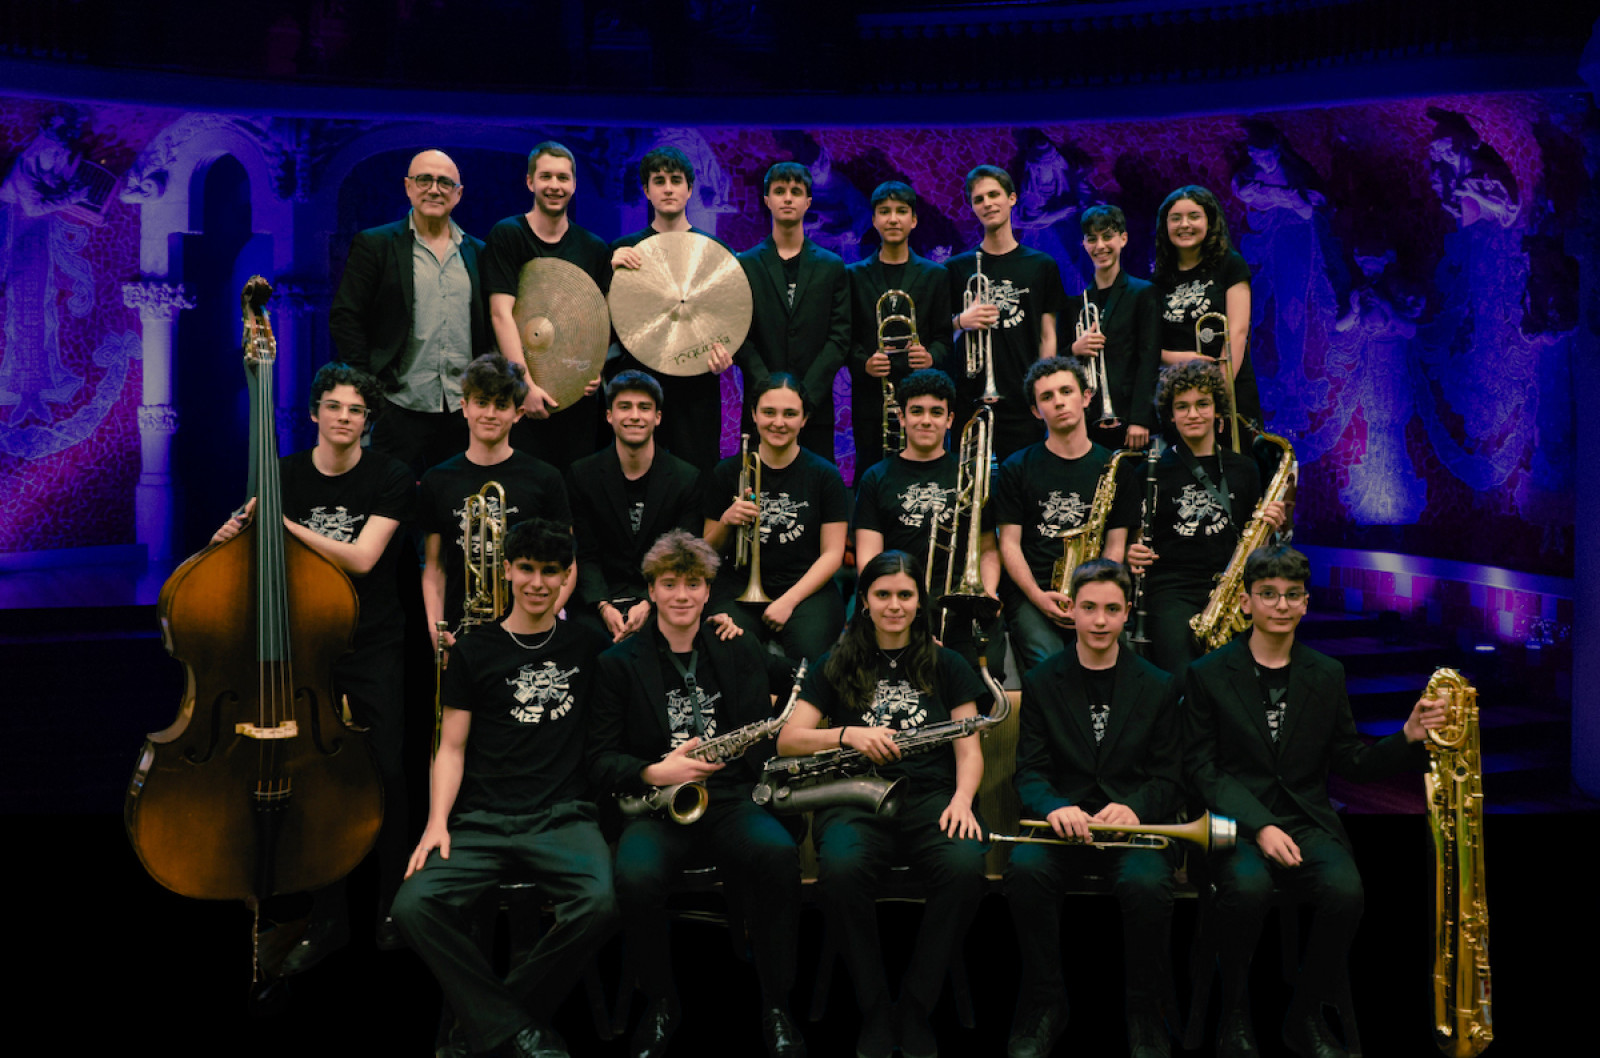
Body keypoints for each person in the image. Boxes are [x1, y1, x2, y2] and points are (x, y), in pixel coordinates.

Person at [1183, 545, 1446, 1058]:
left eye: (1292, 596)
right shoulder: (1209, 674)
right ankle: (1235, 1016)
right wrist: (1259, 826)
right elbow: (1201, 770)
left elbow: (1349, 761)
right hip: (1234, 824)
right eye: (1268, 595)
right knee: (1248, 887)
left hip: (1306, 820)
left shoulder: (1326, 674)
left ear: (1305, 604)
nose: (1280, 605)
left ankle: (1303, 1016)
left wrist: (1407, 737)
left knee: (1346, 892)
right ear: (1245, 603)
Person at [211, 361, 416, 965]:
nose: (345, 419)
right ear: (313, 413)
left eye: (356, 411)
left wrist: (282, 522)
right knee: (315, 781)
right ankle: (326, 919)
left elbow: (360, 559)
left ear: (367, 421)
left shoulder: (391, 477)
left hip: (372, 644)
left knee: (387, 775)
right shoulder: (282, 476)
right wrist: (232, 538)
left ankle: (390, 909)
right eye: (334, 407)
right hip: (302, 649)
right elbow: (254, 555)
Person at [391, 518, 618, 1058]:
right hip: (481, 821)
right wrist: (436, 821)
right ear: (508, 571)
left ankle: (485, 1022)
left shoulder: (589, 646)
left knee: (601, 903)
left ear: (567, 578)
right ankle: (518, 1029)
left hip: (563, 817)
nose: (537, 583)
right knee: (412, 907)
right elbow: (450, 747)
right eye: (527, 569)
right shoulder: (475, 649)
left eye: (551, 572)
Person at [588, 529, 806, 1058]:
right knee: (635, 877)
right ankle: (660, 999)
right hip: (657, 805)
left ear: (709, 591)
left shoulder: (737, 646)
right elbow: (598, 759)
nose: (682, 595)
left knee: (779, 855)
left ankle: (777, 1003)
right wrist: (653, 772)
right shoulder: (616, 664)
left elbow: (785, 700)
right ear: (651, 591)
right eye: (669, 584)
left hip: (728, 797)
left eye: (693, 584)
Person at [777, 550, 989, 1058]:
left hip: (933, 798)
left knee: (965, 867)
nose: (894, 605)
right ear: (865, 601)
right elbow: (789, 740)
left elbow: (970, 748)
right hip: (854, 800)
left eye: (905, 595)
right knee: (842, 871)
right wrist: (847, 734)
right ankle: (873, 1007)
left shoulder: (949, 664)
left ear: (921, 603)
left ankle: (915, 1005)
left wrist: (963, 801)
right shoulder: (836, 661)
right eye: (883, 595)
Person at [1005, 559, 1182, 1058]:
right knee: (1025, 871)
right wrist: (1055, 808)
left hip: (1131, 828)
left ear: (1128, 613)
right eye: (1088, 608)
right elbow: (1030, 771)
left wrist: (1135, 809)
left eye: (1110, 609)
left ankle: (1144, 1010)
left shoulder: (1159, 684)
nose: (1100, 620)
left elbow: (1170, 776)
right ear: (1072, 611)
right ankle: (1045, 1002)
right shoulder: (1042, 682)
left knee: (1148, 883)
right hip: (1064, 827)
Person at [328, 149, 492, 479]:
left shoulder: (479, 252)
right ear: (408, 187)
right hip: (397, 405)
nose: (434, 189)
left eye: (445, 182)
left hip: (463, 411)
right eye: (424, 180)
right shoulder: (375, 244)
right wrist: (368, 387)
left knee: (454, 514)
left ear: (458, 194)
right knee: (391, 512)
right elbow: (346, 317)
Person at [1119, 360, 1285, 676]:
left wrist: (1273, 526)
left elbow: (1257, 544)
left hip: (1233, 589)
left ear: (1217, 410)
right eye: (1182, 407)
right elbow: (1133, 537)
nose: (1193, 414)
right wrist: (1131, 550)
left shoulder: (1245, 469)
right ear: (1170, 415)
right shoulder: (1149, 472)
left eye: (1202, 404)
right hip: (1171, 591)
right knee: (1186, 678)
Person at [853, 368, 1003, 680]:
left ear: (949, 419)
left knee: (975, 684)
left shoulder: (972, 476)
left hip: (959, 603)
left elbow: (988, 548)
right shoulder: (875, 477)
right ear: (902, 417)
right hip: (896, 602)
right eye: (916, 411)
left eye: (936, 412)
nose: (926, 420)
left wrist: (987, 592)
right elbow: (869, 560)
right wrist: (899, 608)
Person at [419, 355, 573, 649]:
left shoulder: (545, 478)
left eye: (501, 405)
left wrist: (542, 620)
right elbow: (434, 567)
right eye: (481, 402)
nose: (490, 413)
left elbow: (568, 563)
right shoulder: (436, 480)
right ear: (464, 407)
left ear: (518, 414)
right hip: (461, 632)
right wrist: (435, 628)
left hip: (533, 631)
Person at [482, 141, 613, 472]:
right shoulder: (508, 234)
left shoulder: (593, 248)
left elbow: (596, 325)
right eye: (546, 177)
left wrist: (594, 369)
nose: (555, 186)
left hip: (578, 404)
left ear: (573, 184)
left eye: (563, 178)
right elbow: (501, 315)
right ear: (530, 182)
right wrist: (524, 386)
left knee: (575, 500)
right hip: (522, 397)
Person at [703, 375, 849, 664]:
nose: (778, 422)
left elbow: (833, 554)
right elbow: (706, 552)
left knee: (810, 655)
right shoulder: (726, 473)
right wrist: (727, 521)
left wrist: (789, 601)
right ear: (754, 414)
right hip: (737, 586)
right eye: (769, 412)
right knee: (728, 648)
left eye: (790, 414)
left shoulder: (825, 475)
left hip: (806, 589)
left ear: (804, 419)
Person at [995, 356, 1127, 674]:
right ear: (1035, 411)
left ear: (1085, 397)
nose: (1058, 402)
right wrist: (1038, 597)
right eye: (1047, 397)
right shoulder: (1016, 467)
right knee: (1051, 668)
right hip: (1033, 593)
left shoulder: (1115, 467)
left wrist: (1092, 600)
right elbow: (1009, 544)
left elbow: (1115, 546)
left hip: (1096, 593)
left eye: (1066, 391)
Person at [609, 145, 736, 472]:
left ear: (689, 189)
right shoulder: (623, 250)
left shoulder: (714, 249)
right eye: (659, 180)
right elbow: (605, 323)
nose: (668, 188)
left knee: (697, 474)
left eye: (676, 180)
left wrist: (725, 352)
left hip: (697, 383)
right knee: (638, 474)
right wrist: (609, 274)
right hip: (639, 380)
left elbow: (728, 315)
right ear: (646, 190)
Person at [568, 371, 705, 644]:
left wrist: (648, 602)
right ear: (609, 416)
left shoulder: (686, 478)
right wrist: (604, 607)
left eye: (644, 408)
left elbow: (682, 554)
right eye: (624, 407)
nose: (635, 416)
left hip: (661, 598)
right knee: (590, 646)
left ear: (658, 417)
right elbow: (585, 553)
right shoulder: (581, 475)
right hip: (599, 599)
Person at [945, 164, 1067, 460]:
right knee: (969, 487)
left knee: (1024, 485)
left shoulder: (1041, 265)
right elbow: (937, 331)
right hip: (970, 398)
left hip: (1023, 400)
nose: (987, 204)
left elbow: (1047, 335)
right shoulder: (956, 268)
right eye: (978, 199)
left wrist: (1043, 392)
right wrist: (963, 320)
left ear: (1012, 198)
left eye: (994, 195)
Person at [734, 161, 852, 462]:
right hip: (761, 409)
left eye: (796, 191)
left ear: (808, 201)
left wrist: (805, 396)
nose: (788, 198)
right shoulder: (745, 265)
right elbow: (738, 336)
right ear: (767, 200)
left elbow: (839, 338)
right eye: (779, 191)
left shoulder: (831, 265)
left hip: (815, 408)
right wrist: (768, 391)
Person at [846, 181, 953, 475]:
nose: (893, 218)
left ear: (914, 220)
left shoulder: (936, 275)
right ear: (874, 220)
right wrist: (864, 363)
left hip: (921, 395)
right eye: (885, 212)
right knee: (871, 469)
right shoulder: (853, 275)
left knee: (925, 470)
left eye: (901, 211)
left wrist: (931, 357)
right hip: (871, 397)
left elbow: (946, 338)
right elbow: (845, 338)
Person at [1151, 185, 1262, 427]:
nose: (1184, 225)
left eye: (1194, 216)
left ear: (1210, 221)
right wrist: (1181, 359)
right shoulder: (1157, 279)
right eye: (1175, 218)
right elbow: (1149, 347)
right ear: (1165, 226)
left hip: (1229, 385)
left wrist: (1218, 397)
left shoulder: (1230, 264)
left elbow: (1238, 332)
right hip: (1179, 391)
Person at [1066, 204, 1161, 452]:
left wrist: (1140, 419)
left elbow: (1148, 358)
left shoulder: (1142, 293)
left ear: (1123, 239)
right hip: (1088, 419)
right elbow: (1058, 359)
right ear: (1084, 244)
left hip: (1130, 417)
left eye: (1107, 237)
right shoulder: (1078, 300)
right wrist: (1075, 348)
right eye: (1092, 239)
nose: (1100, 246)